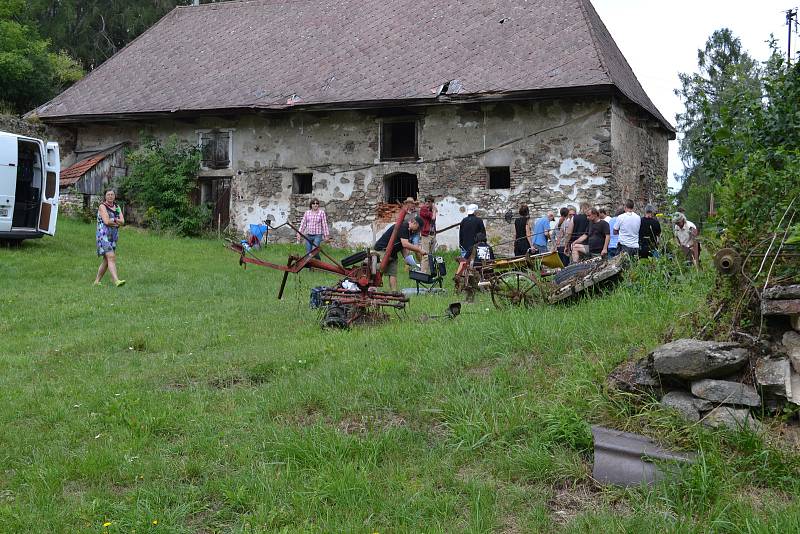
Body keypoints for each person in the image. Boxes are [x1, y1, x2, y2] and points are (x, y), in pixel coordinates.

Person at [374, 215, 427, 291]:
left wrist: (407, 258)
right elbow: (405, 244)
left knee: (393, 273)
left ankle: (394, 292)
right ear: (414, 223)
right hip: (382, 250)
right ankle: (372, 289)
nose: (418, 231)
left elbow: (402, 247)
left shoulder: (409, 231)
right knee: (378, 270)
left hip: (392, 253)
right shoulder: (403, 226)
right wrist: (419, 250)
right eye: (418, 228)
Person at [94, 189, 126, 287]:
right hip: (103, 235)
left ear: (114, 196)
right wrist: (117, 221)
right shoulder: (102, 206)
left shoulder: (117, 207)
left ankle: (96, 281)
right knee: (111, 257)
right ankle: (116, 281)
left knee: (106, 260)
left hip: (113, 236)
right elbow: (106, 221)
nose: (110, 196)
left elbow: (123, 221)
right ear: (105, 196)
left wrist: (114, 220)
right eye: (108, 194)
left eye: (112, 194)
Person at [418, 196, 437, 273]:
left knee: (431, 255)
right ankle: (423, 273)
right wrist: (435, 210)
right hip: (426, 234)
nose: (427, 203)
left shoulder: (431, 210)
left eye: (429, 202)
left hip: (432, 234)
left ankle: (429, 271)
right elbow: (433, 218)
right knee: (425, 255)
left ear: (432, 203)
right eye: (426, 201)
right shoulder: (423, 209)